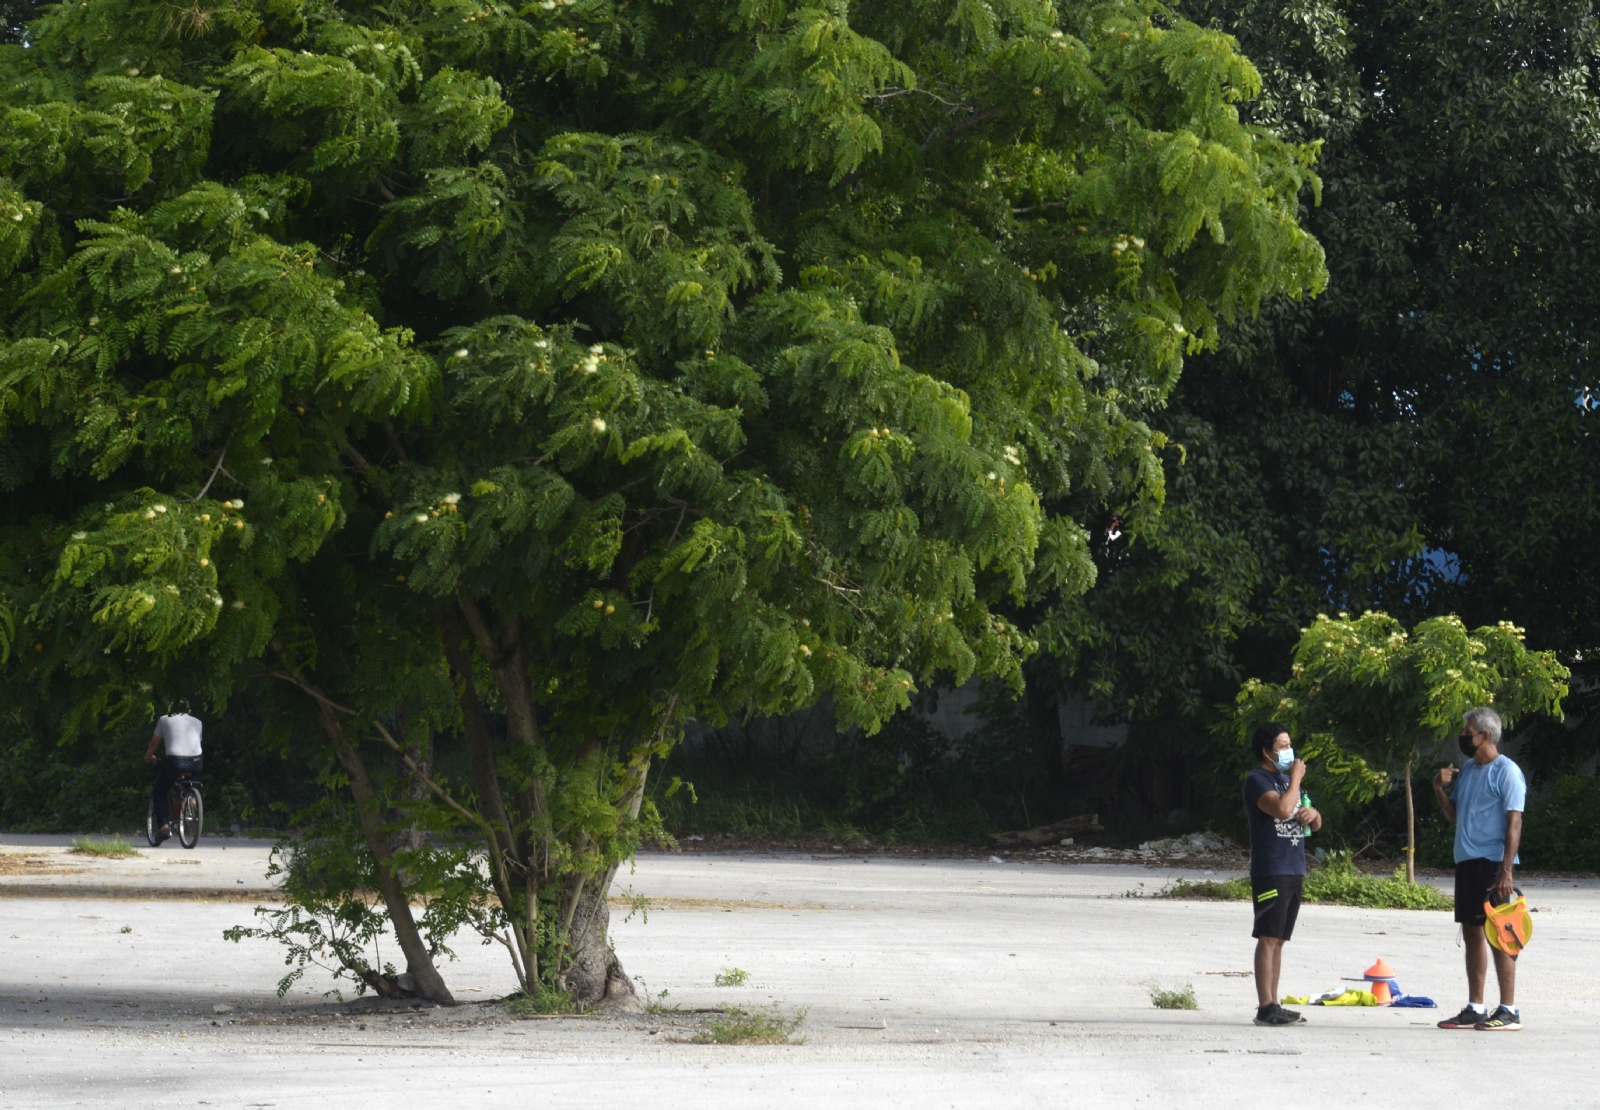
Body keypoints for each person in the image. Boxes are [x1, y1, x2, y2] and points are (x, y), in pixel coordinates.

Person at [1432, 705, 1526, 1032]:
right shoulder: (1470, 770)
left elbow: (1514, 822)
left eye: (1467, 733)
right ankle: (1476, 1007)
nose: (1462, 739)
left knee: (1500, 936)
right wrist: (1439, 789)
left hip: (1494, 866)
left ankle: (1509, 1010)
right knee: (1472, 933)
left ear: (1485, 736)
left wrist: (1507, 872)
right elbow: (1453, 815)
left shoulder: (1507, 772)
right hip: (1467, 863)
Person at [1243, 722, 1322, 1026]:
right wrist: (1296, 779)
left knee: (1279, 939)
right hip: (1271, 868)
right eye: (1283, 746)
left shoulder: (1289, 782)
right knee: (1267, 937)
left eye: (1290, 744)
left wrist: (1312, 814)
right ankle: (1265, 1006)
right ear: (1266, 751)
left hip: (1294, 868)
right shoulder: (1257, 780)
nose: (1290, 751)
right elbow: (1281, 809)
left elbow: (1313, 820)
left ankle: (1274, 1002)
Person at [145, 701, 204, 844]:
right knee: (191, 778)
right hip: (196, 761)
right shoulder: (198, 722)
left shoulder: (164, 719)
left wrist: (148, 756)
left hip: (174, 761)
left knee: (160, 789)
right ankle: (192, 799)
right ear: (189, 710)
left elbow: (155, 742)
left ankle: (164, 825)